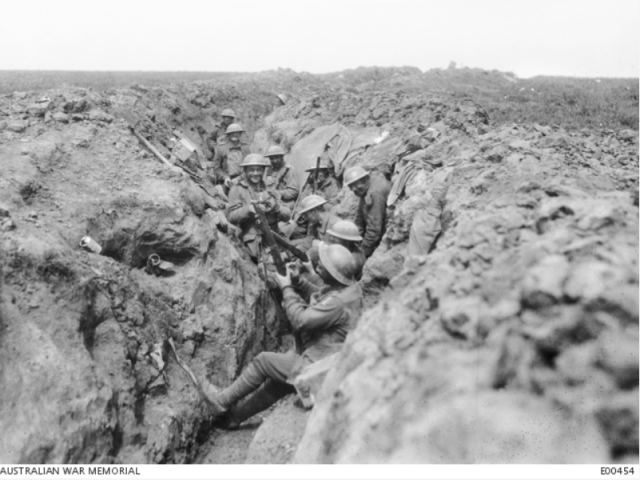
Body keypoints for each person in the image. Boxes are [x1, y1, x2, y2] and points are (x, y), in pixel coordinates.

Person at [199, 243, 362, 428]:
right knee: (277, 385)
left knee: (263, 362)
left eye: (322, 266)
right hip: (325, 355)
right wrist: (298, 281)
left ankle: (220, 402)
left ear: (333, 274)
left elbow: (301, 320)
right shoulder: (348, 290)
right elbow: (319, 296)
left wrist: (286, 288)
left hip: (319, 365)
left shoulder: (338, 302)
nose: (317, 266)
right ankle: (233, 418)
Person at [226, 154, 291, 260]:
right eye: (251, 170)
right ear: (245, 171)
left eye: (259, 170)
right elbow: (231, 217)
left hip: (274, 236)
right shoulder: (237, 189)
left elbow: (287, 215)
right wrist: (248, 209)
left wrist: (276, 207)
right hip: (254, 240)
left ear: (263, 171)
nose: (255, 173)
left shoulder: (270, 188)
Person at [344, 166, 391, 258]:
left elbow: (374, 231)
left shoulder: (374, 193)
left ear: (365, 179)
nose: (354, 189)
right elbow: (359, 218)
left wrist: (361, 253)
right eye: (350, 186)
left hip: (387, 232)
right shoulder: (367, 186)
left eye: (356, 184)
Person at [212, 123, 251, 190]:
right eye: (232, 133)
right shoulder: (221, 148)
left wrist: (239, 178)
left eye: (237, 133)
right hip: (226, 181)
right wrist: (225, 178)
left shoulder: (246, 148)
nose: (235, 134)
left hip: (243, 180)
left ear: (240, 134)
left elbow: (250, 167)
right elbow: (216, 168)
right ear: (228, 134)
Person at [264, 145, 299, 210]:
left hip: (285, 204)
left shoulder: (289, 170)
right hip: (270, 202)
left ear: (282, 157)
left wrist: (278, 193)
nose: (274, 161)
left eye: (277, 157)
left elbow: (294, 192)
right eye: (271, 158)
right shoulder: (269, 170)